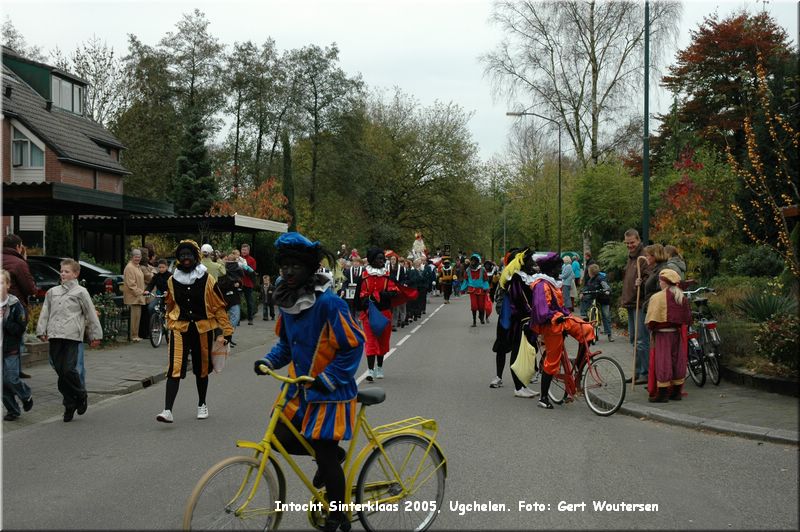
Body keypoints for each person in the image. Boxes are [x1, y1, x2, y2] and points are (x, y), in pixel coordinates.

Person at [253, 232, 364, 532]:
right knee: (278, 435)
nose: (288, 272)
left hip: (331, 392)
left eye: (295, 266)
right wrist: (268, 361)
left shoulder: (330, 304)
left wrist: (327, 379)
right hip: (300, 389)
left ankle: (339, 515)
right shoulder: (287, 301)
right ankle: (332, 458)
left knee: (325, 454)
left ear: (309, 269)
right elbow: (286, 346)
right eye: (283, 266)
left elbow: (353, 345)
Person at [156, 240, 233, 424]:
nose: (185, 259)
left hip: (202, 328)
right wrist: (169, 320)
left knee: (201, 368)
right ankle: (167, 410)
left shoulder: (207, 279)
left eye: (189, 255)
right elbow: (170, 304)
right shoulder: (172, 280)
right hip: (179, 328)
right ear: (179, 259)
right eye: (182, 256)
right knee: (174, 368)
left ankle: (202, 404)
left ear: (195, 257)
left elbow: (219, 307)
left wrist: (227, 330)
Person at [36, 259, 102, 422]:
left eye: (66, 271)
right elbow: (45, 311)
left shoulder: (81, 292)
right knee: (60, 371)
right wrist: (41, 329)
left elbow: (90, 314)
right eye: (62, 271)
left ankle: (79, 395)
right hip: (55, 335)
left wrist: (95, 335)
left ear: (75, 274)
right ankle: (70, 403)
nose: (63, 274)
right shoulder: (52, 292)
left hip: (72, 336)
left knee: (68, 370)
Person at [531, 252, 595, 409]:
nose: (561, 269)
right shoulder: (541, 285)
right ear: (551, 269)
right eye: (558, 266)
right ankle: (543, 397)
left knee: (587, 329)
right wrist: (555, 316)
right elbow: (541, 310)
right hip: (550, 324)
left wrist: (568, 315)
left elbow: (560, 307)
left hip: (562, 319)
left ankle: (578, 373)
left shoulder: (553, 283)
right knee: (552, 360)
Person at [493, 248, 540, 398]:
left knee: (522, 352)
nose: (533, 263)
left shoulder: (523, 277)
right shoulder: (516, 278)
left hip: (521, 319)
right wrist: (530, 313)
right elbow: (519, 300)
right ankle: (518, 387)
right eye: (530, 261)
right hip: (516, 321)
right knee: (516, 351)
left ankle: (522, 385)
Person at [358, 247, 406, 381]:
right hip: (368, 314)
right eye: (379, 259)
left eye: (382, 259)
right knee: (370, 342)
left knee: (382, 342)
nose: (382, 261)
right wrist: (365, 301)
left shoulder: (386, 276)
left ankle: (379, 367)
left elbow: (395, 291)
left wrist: (379, 295)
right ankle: (370, 370)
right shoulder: (364, 276)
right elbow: (359, 294)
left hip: (384, 313)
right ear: (372, 260)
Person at [645, 269, 692, 403]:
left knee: (663, 361)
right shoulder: (681, 297)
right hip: (676, 335)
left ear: (665, 283)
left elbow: (651, 321)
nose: (659, 283)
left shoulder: (657, 297)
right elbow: (687, 318)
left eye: (660, 281)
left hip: (662, 335)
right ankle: (677, 392)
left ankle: (663, 394)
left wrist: (652, 329)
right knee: (677, 361)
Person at [1, 234, 36, 379]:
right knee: (15, 340)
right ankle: (13, 372)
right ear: (18, 247)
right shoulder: (19, 263)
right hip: (14, 308)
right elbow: (30, 289)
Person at [2, 269, 33, 421]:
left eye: (1, 282)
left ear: (8, 285)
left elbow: (20, 327)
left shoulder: (14, 305)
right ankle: (13, 410)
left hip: (10, 348)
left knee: (11, 379)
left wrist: (7, 322)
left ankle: (26, 395)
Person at [621, 229, 650, 385]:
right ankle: (637, 371)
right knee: (633, 339)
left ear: (638, 240)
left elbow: (650, 277)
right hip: (632, 302)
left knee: (641, 339)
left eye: (632, 242)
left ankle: (645, 372)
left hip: (640, 302)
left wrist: (642, 282)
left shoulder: (643, 256)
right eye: (627, 243)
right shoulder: (631, 257)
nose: (630, 245)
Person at [580, 264, 614, 342]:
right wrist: (582, 292)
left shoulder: (601, 278)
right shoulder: (590, 280)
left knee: (606, 315)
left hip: (603, 298)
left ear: (591, 272)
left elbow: (606, 286)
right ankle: (585, 314)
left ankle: (609, 334)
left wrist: (607, 290)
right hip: (594, 296)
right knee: (584, 299)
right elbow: (586, 287)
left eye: (589, 271)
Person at [123, 249, 147, 342]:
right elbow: (131, 284)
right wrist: (140, 292)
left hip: (138, 296)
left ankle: (135, 335)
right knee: (134, 317)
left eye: (139, 256)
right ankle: (133, 336)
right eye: (136, 256)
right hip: (133, 297)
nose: (138, 258)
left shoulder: (137, 266)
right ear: (132, 257)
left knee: (137, 317)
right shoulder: (130, 267)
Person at [461, 253, 490, 326]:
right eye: (472, 260)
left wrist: (486, 288)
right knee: (474, 306)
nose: (472, 262)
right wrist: (463, 289)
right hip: (472, 290)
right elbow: (466, 280)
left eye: (474, 260)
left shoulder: (482, 269)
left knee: (481, 306)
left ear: (477, 261)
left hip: (481, 290)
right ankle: (474, 321)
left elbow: (485, 280)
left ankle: (481, 317)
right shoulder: (468, 270)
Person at [240, 243, 258, 325]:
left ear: (248, 251)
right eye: (242, 249)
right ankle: (237, 319)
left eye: (245, 250)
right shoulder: (238, 258)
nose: (243, 251)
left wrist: (244, 267)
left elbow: (252, 272)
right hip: (239, 282)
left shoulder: (252, 260)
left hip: (248, 283)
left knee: (249, 301)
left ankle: (250, 319)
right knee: (237, 301)